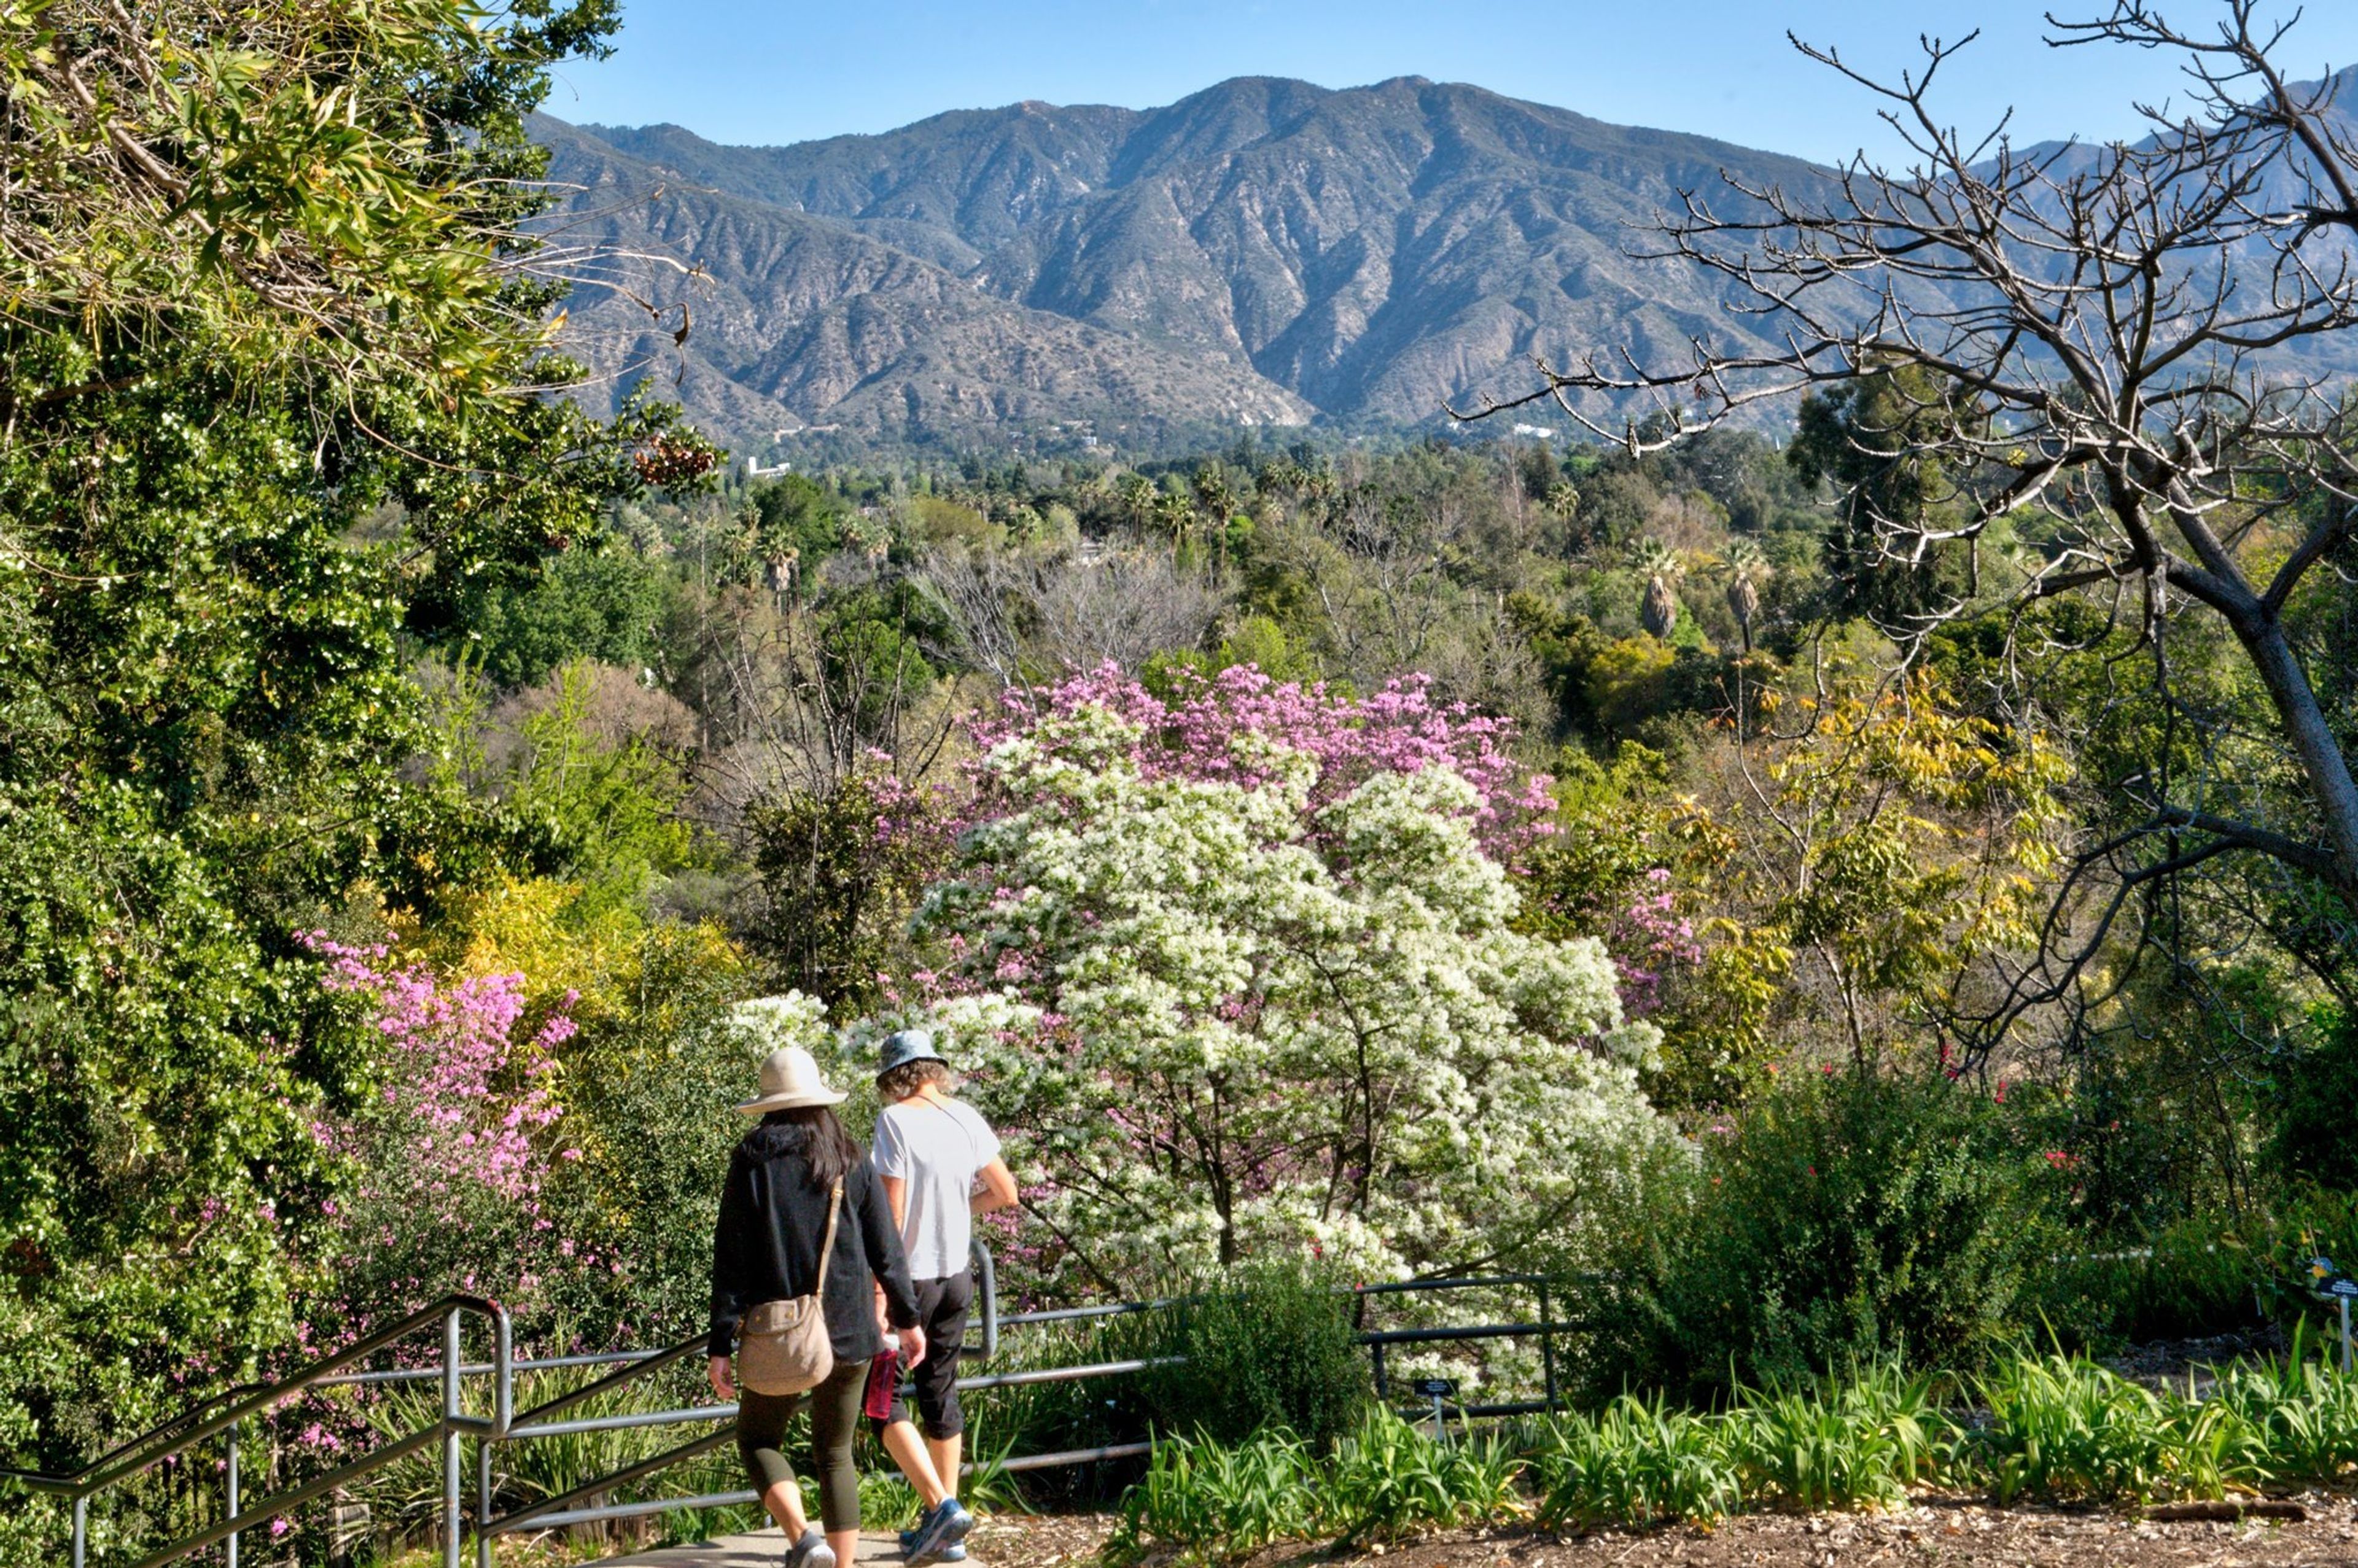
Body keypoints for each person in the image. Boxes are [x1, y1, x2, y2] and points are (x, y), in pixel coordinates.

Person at [710, 1044, 928, 1568]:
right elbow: (886, 1248)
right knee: (835, 1454)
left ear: (771, 1103)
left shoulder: (752, 1161)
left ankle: (804, 1540)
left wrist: (720, 1342)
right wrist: (908, 1319)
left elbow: (731, 1257)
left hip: (778, 1330)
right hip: (850, 1328)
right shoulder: (848, 1157)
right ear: (818, 1100)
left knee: (759, 1439)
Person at [866, 1028, 1020, 1565]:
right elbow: (1006, 1192)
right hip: (957, 1274)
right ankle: (946, 1532)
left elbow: (893, 1215)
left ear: (893, 1078)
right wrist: (957, 1213)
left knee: (880, 1401)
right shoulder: (967, 1116)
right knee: (940, 1393)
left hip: (911, 1281)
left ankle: (941, 1510)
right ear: (936, 1070)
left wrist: (879, 1288)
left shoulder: (895, 1121)